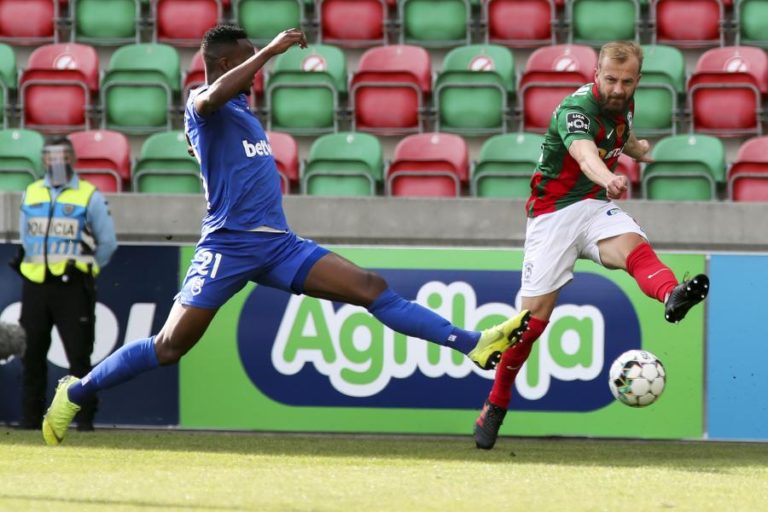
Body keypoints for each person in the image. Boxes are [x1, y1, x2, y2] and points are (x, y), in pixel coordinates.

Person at [41, 25, 531, 445]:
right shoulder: (200, 101)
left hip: (278, 245)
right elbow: (210, 100)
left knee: (370, 288)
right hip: (227, 246)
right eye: (249, 60)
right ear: (229, 61)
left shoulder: (243, 110)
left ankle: (473, 343)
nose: (258, 72)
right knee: (170, 346)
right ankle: (76, 392)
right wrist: (270, 50)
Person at [472, 41, 710, 450]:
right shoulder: (575, 110)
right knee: (527, 328)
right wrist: (608, 178)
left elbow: (622, 135)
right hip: (552, 216)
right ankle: (496, 403)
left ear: (637, 80)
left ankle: (671, 293)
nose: (618, 88)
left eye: (627, 81)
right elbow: (585, 155)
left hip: (593, 208)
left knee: (634, 246)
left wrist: (638, 151)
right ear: (596, 74)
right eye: (611, 79)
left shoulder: (623, 104)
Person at [14, 136, 117, 431]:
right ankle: (30, 418)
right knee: (31, 354)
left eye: (61, 156)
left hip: (73, 286)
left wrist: (89, 270)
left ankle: (84, 420)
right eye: (49, 157)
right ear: (43, 161)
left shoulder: (89, 196)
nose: (55, 162)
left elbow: (107, 243)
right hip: (35, 285)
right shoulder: (31, 192)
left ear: (72, 159)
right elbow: (25, 237)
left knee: (79, 356)